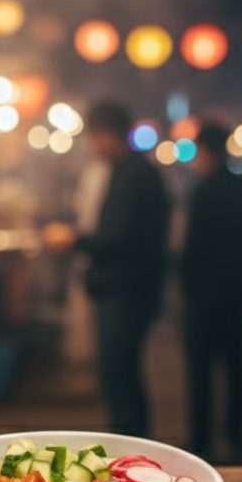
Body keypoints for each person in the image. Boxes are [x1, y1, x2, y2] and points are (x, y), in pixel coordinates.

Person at [47, 101, 171, 436]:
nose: (92, 145)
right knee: (120, 375)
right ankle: (130, 443)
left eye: (93, 136)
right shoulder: (127, 170)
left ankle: (131, 445)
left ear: (107, 134)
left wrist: (74, 240)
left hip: (126, 290)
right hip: (123, 288)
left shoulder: (134, 175)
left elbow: (120, 236)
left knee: (120, 376)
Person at [181, 123, 242, 459]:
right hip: (239, 293)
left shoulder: (203, 192)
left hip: (204, 296)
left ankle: (201, 441)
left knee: (200, 371)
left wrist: (186, 286)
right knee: (237, 365)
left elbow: (192, 247)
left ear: (205, 151)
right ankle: (236, 436)